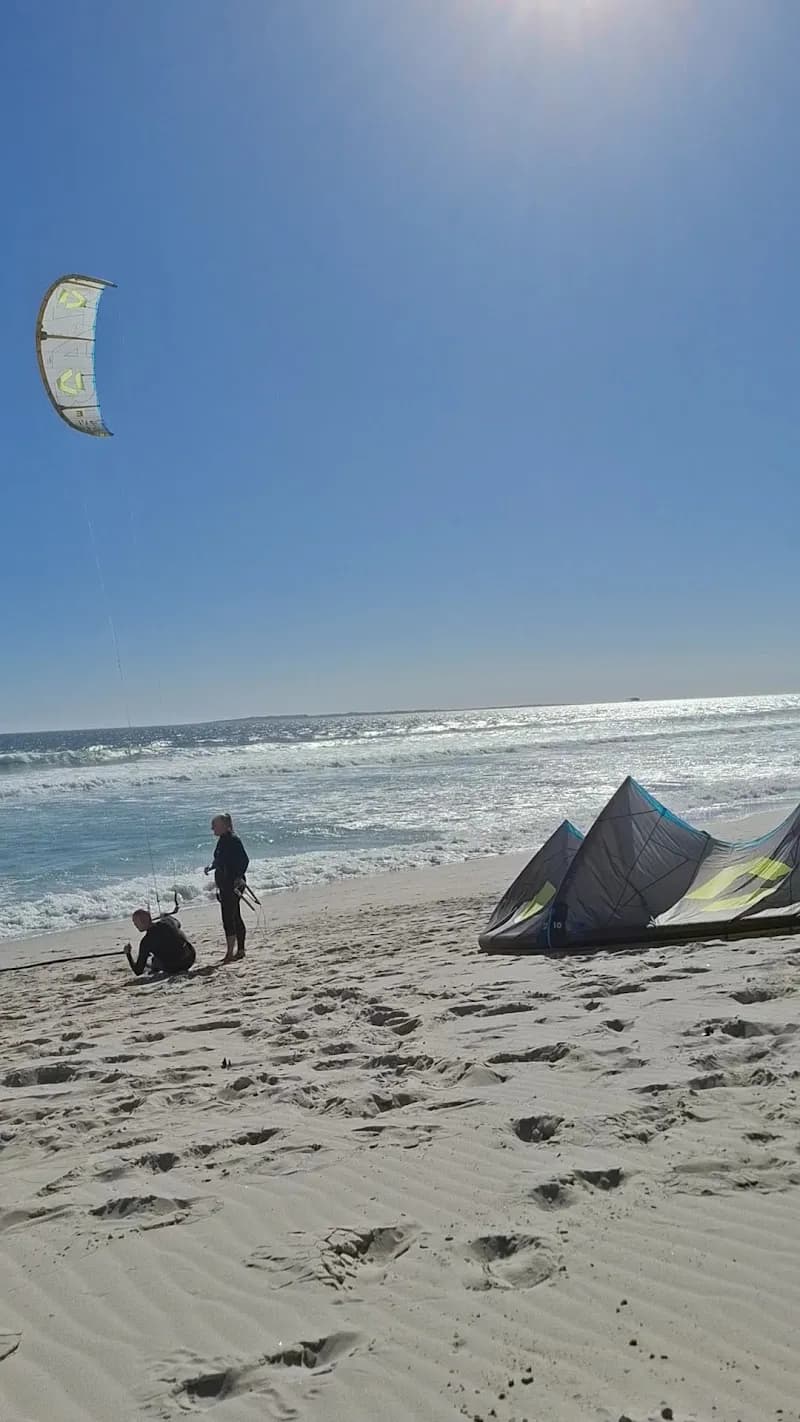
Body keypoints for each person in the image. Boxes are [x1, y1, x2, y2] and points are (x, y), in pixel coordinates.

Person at [205, 813, 250, 963]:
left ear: (224, 826)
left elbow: (244, 860)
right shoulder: (222, 840)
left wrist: (238, 876)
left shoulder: (233, 840)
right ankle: (239, 950)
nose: (212, 829)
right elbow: (220, 859)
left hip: (233, 884)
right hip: (224, 884)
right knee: (234, 915)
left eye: (214, 825)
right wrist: (211, 867)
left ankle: (231, 952)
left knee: (229, 917)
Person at [124, 908, 196, 977]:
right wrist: (166, 916)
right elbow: (178, 924)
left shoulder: (146, 941)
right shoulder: (167, 922)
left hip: (174, 968)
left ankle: (154, 969)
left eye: (136, 922)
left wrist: (128, 953)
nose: (135, 925)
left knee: (153, 960)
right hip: (190, 959)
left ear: (143, 921)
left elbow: (138, 971)